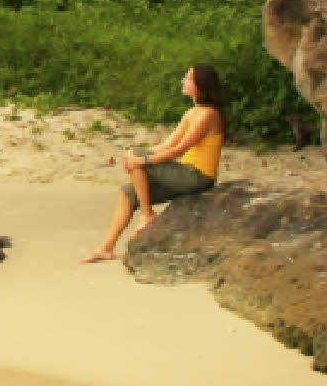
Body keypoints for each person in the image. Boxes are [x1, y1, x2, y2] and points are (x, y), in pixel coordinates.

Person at [82, 65, 226, 263]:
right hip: (185, 176)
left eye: (188, 78)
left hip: (197, 177)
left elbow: (179, 150)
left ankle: (147, 214)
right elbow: (168, 144)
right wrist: (133, 156)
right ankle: (107, 247)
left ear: (200, 85)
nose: (183, 81)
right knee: (128, 192)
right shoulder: (193, 112)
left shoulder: (208, 115)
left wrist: (141, 160)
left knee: (137, 158)